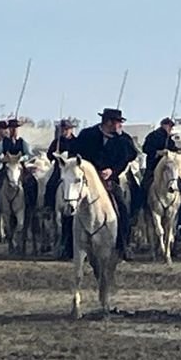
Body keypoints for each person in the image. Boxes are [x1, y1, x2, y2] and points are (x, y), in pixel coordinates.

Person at [74, 108, 139, 259]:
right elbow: (76, 154)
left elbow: (129, 156)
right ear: (108, 122)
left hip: (111, 180)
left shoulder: (123, 139)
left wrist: (112, 171)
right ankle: (66, 244)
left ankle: (123, 245)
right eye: (117, 122)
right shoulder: (87, 135)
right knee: (71, 204)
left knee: (122, 207)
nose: (119, 126)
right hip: (88, 180)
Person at [45, 119, 78, 260]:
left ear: (71, 130)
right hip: (60, 168)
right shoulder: (56, 142)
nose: (65, 131)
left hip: (71, 170)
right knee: (51, 183)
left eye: (67, 129)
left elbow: (79, 156)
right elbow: (48, 155)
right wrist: (55, 154)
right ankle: (49, 205)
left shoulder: (77, 142)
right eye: (63, 129)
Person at [0, 120, 33, 217]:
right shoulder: (3, 143)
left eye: (15, 128)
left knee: (32, 182)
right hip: (7, 168)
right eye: (11, 128)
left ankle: (30, 205)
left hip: (20, 167)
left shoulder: (22, 142)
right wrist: (3, 159)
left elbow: (30, 154)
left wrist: (21, 158)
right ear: (8, 129)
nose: (13, 130)